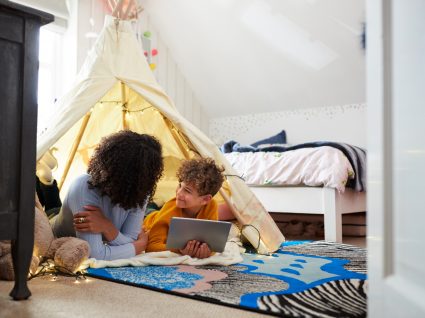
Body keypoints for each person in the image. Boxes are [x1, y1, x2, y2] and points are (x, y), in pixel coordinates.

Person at [51, 130, 164, 261]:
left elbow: (131, 240)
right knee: (50, 207)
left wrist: (107, 226)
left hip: (84, 230)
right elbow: (95, 255)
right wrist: (138, 247)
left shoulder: (140, 190)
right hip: (57, 232)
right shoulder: (84, 186)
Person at [143, 157, 225, 259]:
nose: (179, 193)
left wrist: (206, 251)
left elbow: (212, 244)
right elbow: (151, 246)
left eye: (187, 191)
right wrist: (179, 250)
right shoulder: (170, 209)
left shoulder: (211, 205)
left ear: (205, 200)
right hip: (148, 218)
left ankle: (155, 204)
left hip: (158, 212)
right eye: (180, 186)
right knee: (145, 208)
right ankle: (153, 203)